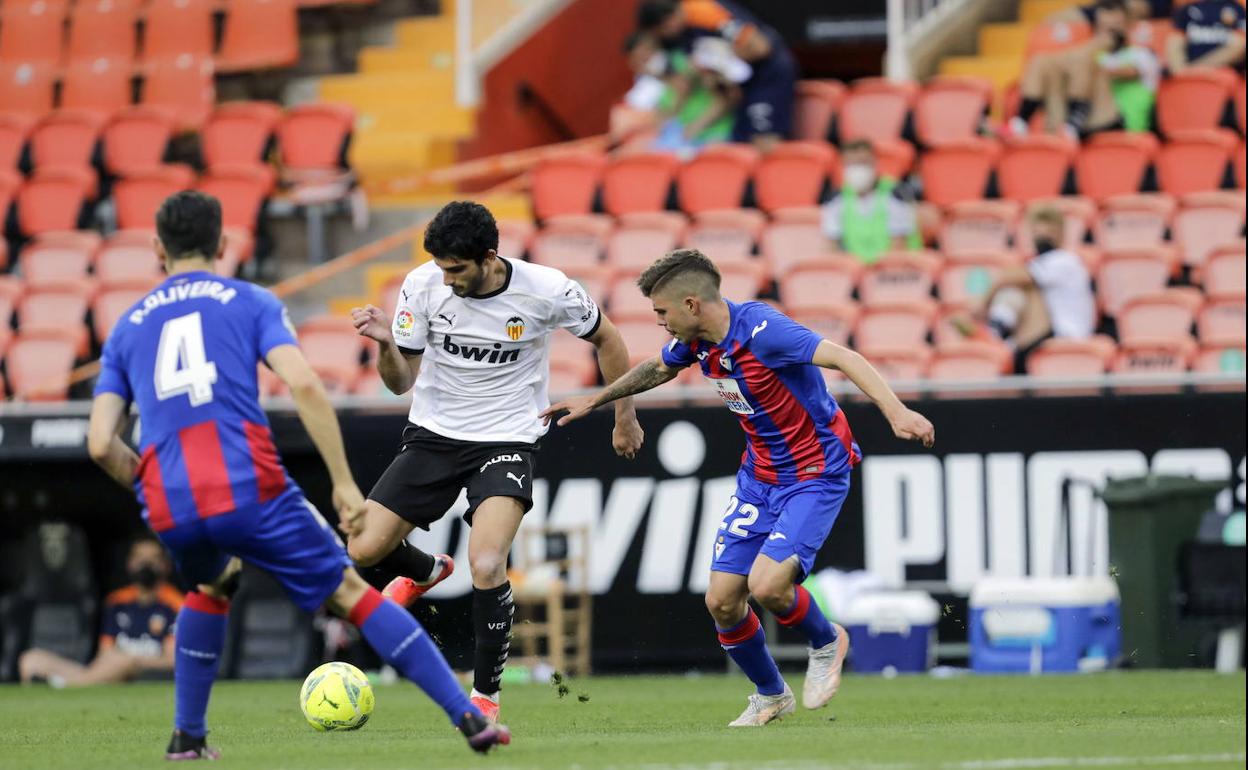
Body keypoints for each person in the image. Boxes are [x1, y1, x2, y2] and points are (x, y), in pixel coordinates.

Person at [86, 191, 509, 760]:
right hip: (248, 485)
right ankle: (469, 718)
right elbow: (305, 384)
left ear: (158, 248)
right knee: (350, 591)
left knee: (211, 584)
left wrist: (151, 488)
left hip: (170, 498)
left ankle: (188, 736)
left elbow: (98, 444)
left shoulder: (126, 326)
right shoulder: (249, 301)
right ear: (222, 245)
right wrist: (340, 480)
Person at [541, 249, 935, 727]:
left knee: (768, 586)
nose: (659, 322)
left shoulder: (765, 332)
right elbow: (658, 368)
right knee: (722, 601)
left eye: (661, 312)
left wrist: (897, 412)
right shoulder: (699, 341)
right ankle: (771, 693)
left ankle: (827, 640)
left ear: (691, 305)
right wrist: (599, 401)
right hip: (760, 478)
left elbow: (843, 356)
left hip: (815, 473)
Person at [346, 200, 645, 722]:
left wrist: (624, 417)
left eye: (456, 268)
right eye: (440, 267)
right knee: (363, 547)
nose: (446, 277)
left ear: (489, 257)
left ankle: (485, 696)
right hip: (434, 434)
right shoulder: (422, 284)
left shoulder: (547, 289)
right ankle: (426, 570)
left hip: (508, 438)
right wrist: (384, 346)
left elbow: (609, 338)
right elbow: (401, 383)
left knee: (486, 563)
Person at [19, 537, 183, 687]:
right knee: (30, 660)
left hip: (140, 672)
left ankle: (65, 686)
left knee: (121, 661)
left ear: (165, 565)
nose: (145, 563)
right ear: (130, 563)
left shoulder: (175, 603)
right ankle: (69, 685)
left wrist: (134, 660)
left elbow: (172, 660)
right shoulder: (117, 601)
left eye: (153, 558)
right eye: (140, 558)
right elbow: (105, 652)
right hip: (104, 672)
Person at [637, 0, 797, 151]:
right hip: (741, 82)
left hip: (767, 75)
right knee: (741, 145)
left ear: (668, 21)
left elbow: (760, 48)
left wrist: (720, 59)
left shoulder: (703, 11)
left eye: (662, 33)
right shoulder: (684, 36)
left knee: (764, 143)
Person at [955, 207, 1097, 373]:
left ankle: (994, 332)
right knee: (1019, 281)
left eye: (1049, 230)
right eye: (1037, 230)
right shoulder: (1042, 263)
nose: (1042, 234)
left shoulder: (1066, 261)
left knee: (1020, 284)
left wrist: (983, 302)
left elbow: (1011, 277)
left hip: (1066, 335)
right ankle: (996, 334)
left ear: (1060, 233)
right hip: (1039, 334)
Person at [1012, 0, 1156, 138]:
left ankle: (1075, 117)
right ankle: (1022, 122)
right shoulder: (1090, 55)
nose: (1106, 36)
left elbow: (1121, 72)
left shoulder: (1141, 55)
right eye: (1102, 28)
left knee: (1083, 62)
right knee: (1042, 62)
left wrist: (1097, 46)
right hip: (1086, 122)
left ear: (1127, 26)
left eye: (1113, 29)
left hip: (1120, 124)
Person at [623, 31, 743, 154]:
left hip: (717, 135)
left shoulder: (685, 60)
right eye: (640, 59)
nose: (647, 60)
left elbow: (727, 97)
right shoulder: (646, 88)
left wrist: (695, 127)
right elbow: (664, 119)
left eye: (648, 52)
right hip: (685, 141)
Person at [820, 140, 919, 264]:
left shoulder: (896, 194)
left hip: (897, 271)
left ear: (874, 163)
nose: (857, 169)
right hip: (856, 272)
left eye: (862, 163)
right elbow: (832, 249)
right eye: (851, 164)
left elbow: (898, 248)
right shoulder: (835, 200)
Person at [1167, 0, 1246, 73]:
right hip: (1187, 67)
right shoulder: (1187, 9)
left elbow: (1240, 44)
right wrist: (1180, 69)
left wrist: (1194, 69)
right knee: (1174, 42)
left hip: (1223, 70)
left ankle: (1191, 73)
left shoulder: (1237, 9)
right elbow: (1176, 40)